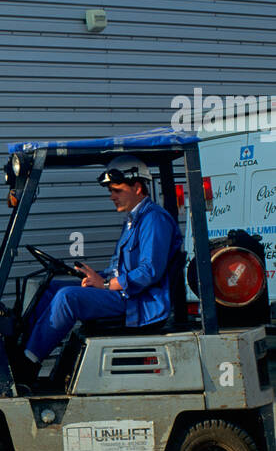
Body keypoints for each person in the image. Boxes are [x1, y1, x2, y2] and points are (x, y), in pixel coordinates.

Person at [17, 158, 182, 382]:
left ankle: (26, 365)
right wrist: (97, 276)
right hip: (126, 294)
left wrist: (104, 285)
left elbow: (149, 272)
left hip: (139, 302)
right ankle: (22, 349)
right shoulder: (134, 219)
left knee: (68, 298)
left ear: (138, 187)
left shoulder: (154, 219)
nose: (112, 196)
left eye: (117, 190)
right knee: (49, 288)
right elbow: (119, 267)